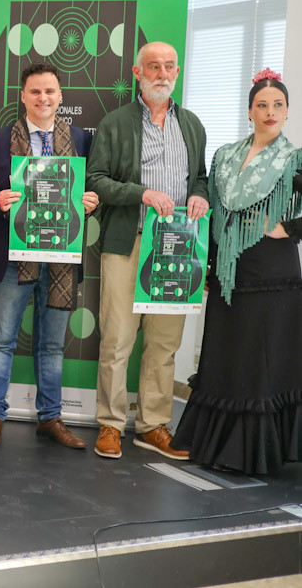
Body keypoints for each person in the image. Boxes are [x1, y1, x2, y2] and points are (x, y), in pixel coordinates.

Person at [172, 69, 302, 474]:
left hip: (274, 277)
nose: (270, 111)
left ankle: (254, 454)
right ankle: (217, 447)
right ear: (250, 111)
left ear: (286, 110)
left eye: (278, 105)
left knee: (261, 362)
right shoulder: (225, 156)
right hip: (231, 274)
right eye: (262, 105)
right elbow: (211, 214)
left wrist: (290, 229)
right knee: (227, 356)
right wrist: (209, 265)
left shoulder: (294, 159)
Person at [86, 41, 208, 460]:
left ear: (177, 72)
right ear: (137, 73)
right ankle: (110, 424)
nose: (161, 72)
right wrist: (142, 193)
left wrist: (199, 197)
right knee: (118, 338)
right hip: (128, 243)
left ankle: (153, 424)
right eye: (152, 66)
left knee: (164, 342)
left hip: (176, 249)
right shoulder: (115, 123)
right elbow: (96, 180)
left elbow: (202, 179)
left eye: (169, 66)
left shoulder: (191, 124)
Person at [0, 63, 98, 450]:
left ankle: (51, 418)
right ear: (23, 96)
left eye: (50, 91)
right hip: (14, 256)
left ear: (61, 96)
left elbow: (91, 187)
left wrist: (90, 201)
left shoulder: (82, 139)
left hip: (62, 259)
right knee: (1, 340)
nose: (43, 98)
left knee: (51, 345)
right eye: (35, 92)